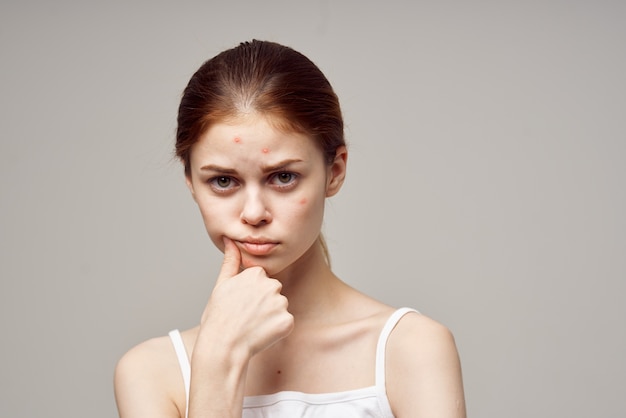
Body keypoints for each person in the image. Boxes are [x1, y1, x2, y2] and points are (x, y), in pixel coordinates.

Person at [114, 39, 466, 418]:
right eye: (223, 181)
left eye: (283, 177)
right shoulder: (150, 372)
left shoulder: (411, 349)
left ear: (335, 171)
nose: (253, 213)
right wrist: (218, 360)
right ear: (190, 182)